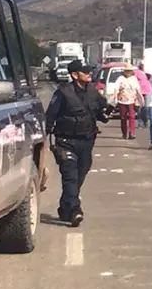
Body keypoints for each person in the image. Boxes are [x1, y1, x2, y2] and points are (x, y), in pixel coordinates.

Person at [44, 60, 111, 227]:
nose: (89, 74)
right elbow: (50, 116)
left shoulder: (92, 91)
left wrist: (109, 109)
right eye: (85, 72)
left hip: (87, 142)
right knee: (70, 176)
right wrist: (43, 139)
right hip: (66, 141)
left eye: (89, 71)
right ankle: (75, 209)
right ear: (74, 75)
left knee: (80, 175)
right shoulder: (63, 93)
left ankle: (65, 207)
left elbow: (101, 111)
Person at [111, 63, 143, 139]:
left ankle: (132, 133)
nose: (128, 72)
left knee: (132, 117)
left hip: (131, 100)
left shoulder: (134, 79)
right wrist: (115, 96)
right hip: (122, 100)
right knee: (123, 117)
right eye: (127, 71)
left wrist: (141, 98)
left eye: (130, 71)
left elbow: (137, 89)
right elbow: (116, 88)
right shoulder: (120, 78)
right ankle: (124, 133)